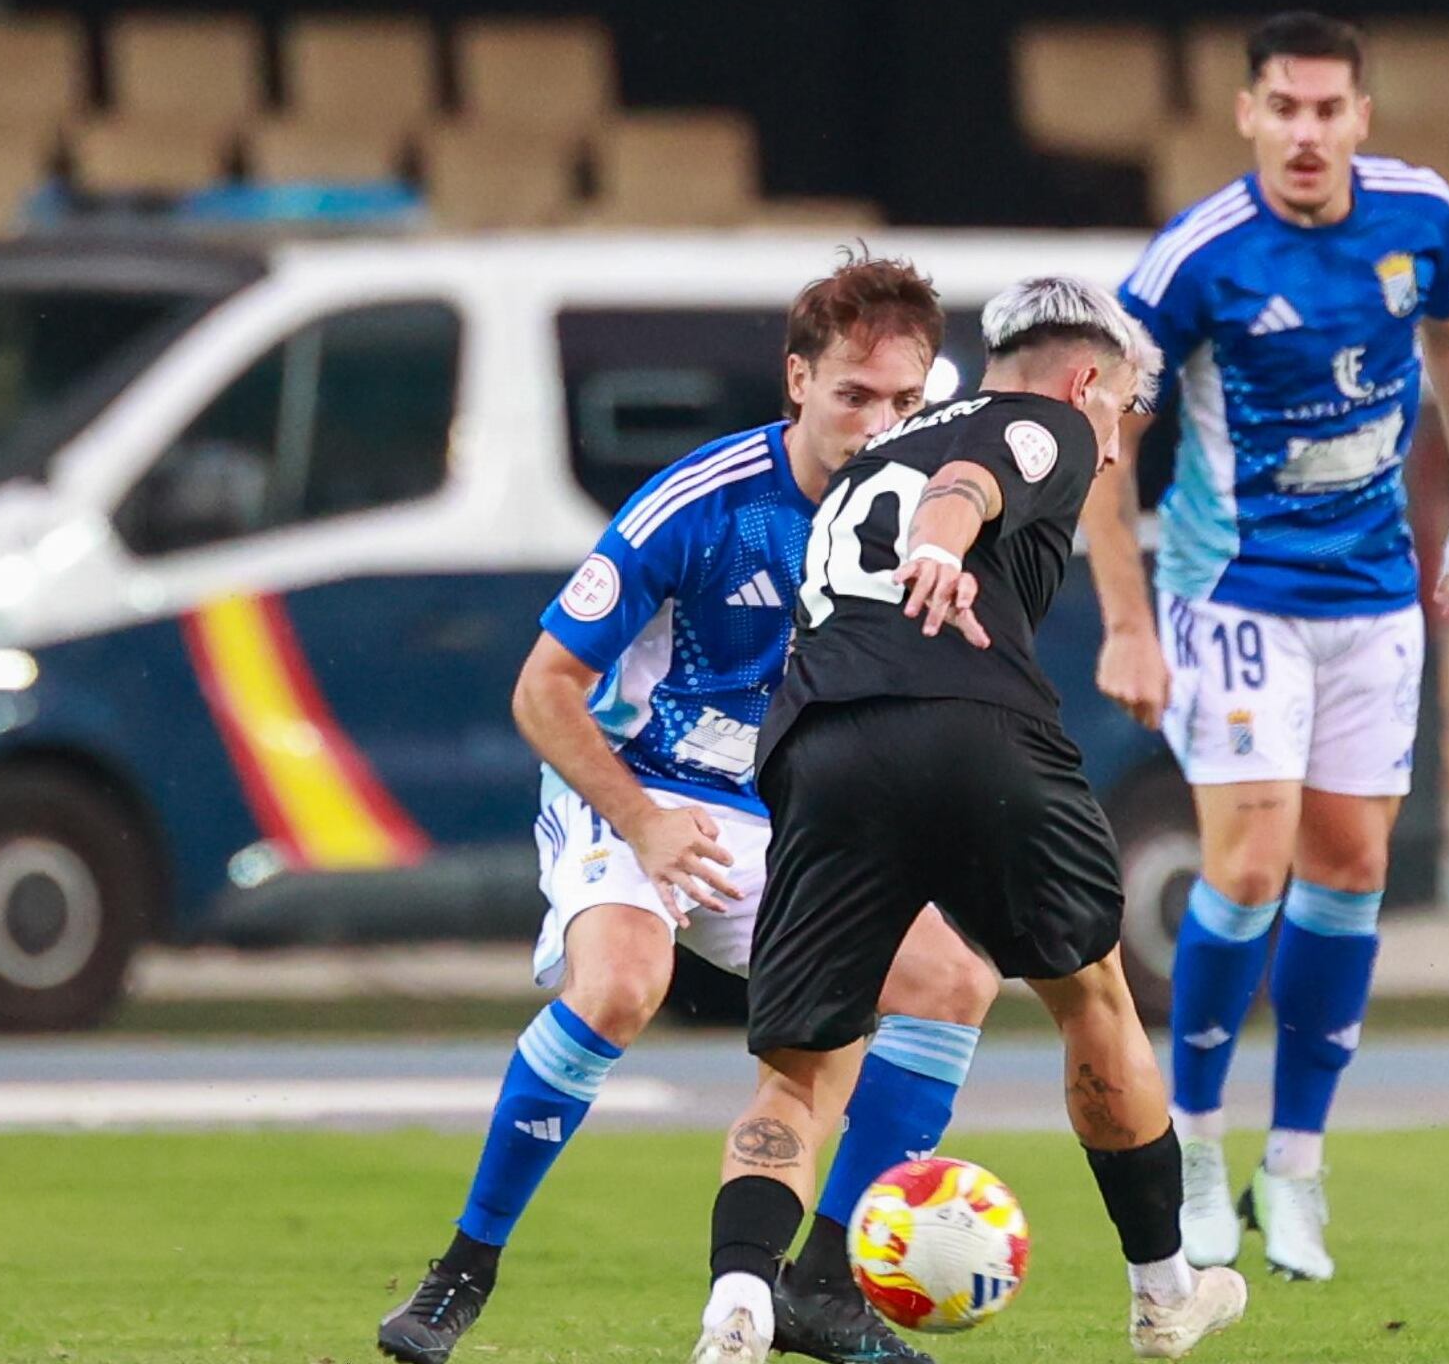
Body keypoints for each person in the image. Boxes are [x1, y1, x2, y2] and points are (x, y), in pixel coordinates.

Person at [381, 256, 1000, 1364]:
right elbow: (542, 689)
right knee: (623, 983)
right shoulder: (705, 500)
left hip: (779, 816)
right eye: (853, 394)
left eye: (904, 401)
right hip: (639, 784)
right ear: (798, 382)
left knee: (949, 979)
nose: (879, 424)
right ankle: (460, 1272)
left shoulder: (928, 524)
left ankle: (825, 1286)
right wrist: (646, 821)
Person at [693, 277, 1247, 1363]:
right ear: (1087, 377)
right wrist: (945, 543)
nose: (1117, 440)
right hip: (971, 724)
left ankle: (741, 1302)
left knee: (799, 1070)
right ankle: (1164, 1291)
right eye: (1125, 410)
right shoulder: (1046, 420)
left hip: (821, 744)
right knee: (1093, 997)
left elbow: (940, 473)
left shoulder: (879, 443)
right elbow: (971, 481)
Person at [1078, 12, 1449, 1281]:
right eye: (1286, 108)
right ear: (1249, 117)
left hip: (1372, 594)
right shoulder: (1193, 262)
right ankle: (1198, 1148)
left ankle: (1297, 1164)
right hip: (1237, 588)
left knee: (1353, 861)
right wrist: (1126, 622)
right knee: (1250, 863)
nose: (1309, 132)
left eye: (1331, 109)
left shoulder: (1421, 219)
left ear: (1363, 118)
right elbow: (1111, 440)